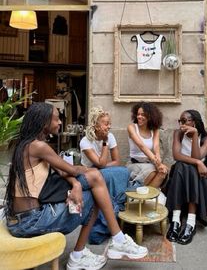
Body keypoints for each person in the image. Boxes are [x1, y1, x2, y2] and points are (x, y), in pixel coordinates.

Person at [4, 102, 148, 270]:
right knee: (95, 180)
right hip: (30, 221)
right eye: (56, 119)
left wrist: (76, 184)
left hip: (22, 220)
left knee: (95, 186)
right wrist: (82, 172)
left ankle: (98, 247)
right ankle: (112, 242)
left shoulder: (28, 145)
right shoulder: (38, 146)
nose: (60, 123)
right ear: (44, 123)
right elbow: (71, 169)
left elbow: (62, 172)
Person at [165, 109, 207, 245]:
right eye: (180, 121)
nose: (181, 125)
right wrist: (197, 163)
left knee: (188, 168)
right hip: (182, 175)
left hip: (201, 178)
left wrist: (195, 135)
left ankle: (190, 223)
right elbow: (177, 156)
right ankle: (176, 221)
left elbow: (196, 155)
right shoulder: (178, 134)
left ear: (194, 122)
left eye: (184, 121)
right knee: (180, 165)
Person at [80, 106, 130, 244]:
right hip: (89, 176)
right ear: (96, 125)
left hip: (102, 171)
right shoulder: (85, 141)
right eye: (106, 123)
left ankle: (112, 214)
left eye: (109, 123)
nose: (109, 126)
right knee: (110, 175)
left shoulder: (111, 136)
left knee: (124, 171)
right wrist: (104, 143)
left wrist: (101, 167)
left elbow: (116, 161)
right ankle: (103, 225)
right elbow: (100, 164)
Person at [127, 102, 168, 203]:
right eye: (138, 114)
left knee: (163, 172)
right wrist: (157, 163)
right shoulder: (132, 127)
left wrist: (159, 162)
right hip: (134, 164)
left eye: (143, 115)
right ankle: (140, 196)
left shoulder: (154, 129)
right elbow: (142, 146)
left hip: (150, 163)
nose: (139, 117)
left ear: (150, 116)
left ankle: (143, 198)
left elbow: (156, 146)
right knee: (152, 170)